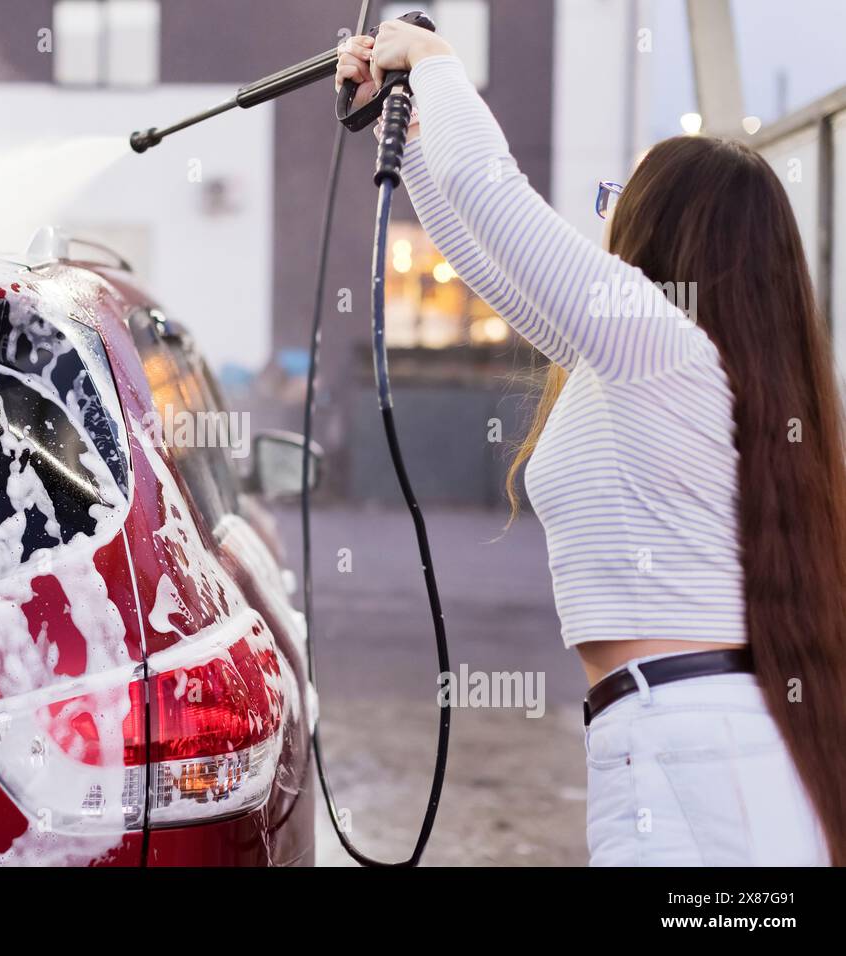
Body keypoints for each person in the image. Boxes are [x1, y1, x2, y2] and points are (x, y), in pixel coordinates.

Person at [337, 18, 846, 866]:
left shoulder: (661, 343)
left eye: (617, 203)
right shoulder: (647, 361)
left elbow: (495, 191)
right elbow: (491, 256)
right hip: (681, 745)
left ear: (667, 231)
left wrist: (434, 62)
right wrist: (412, 130)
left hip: (690, 755)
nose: (603, 224)